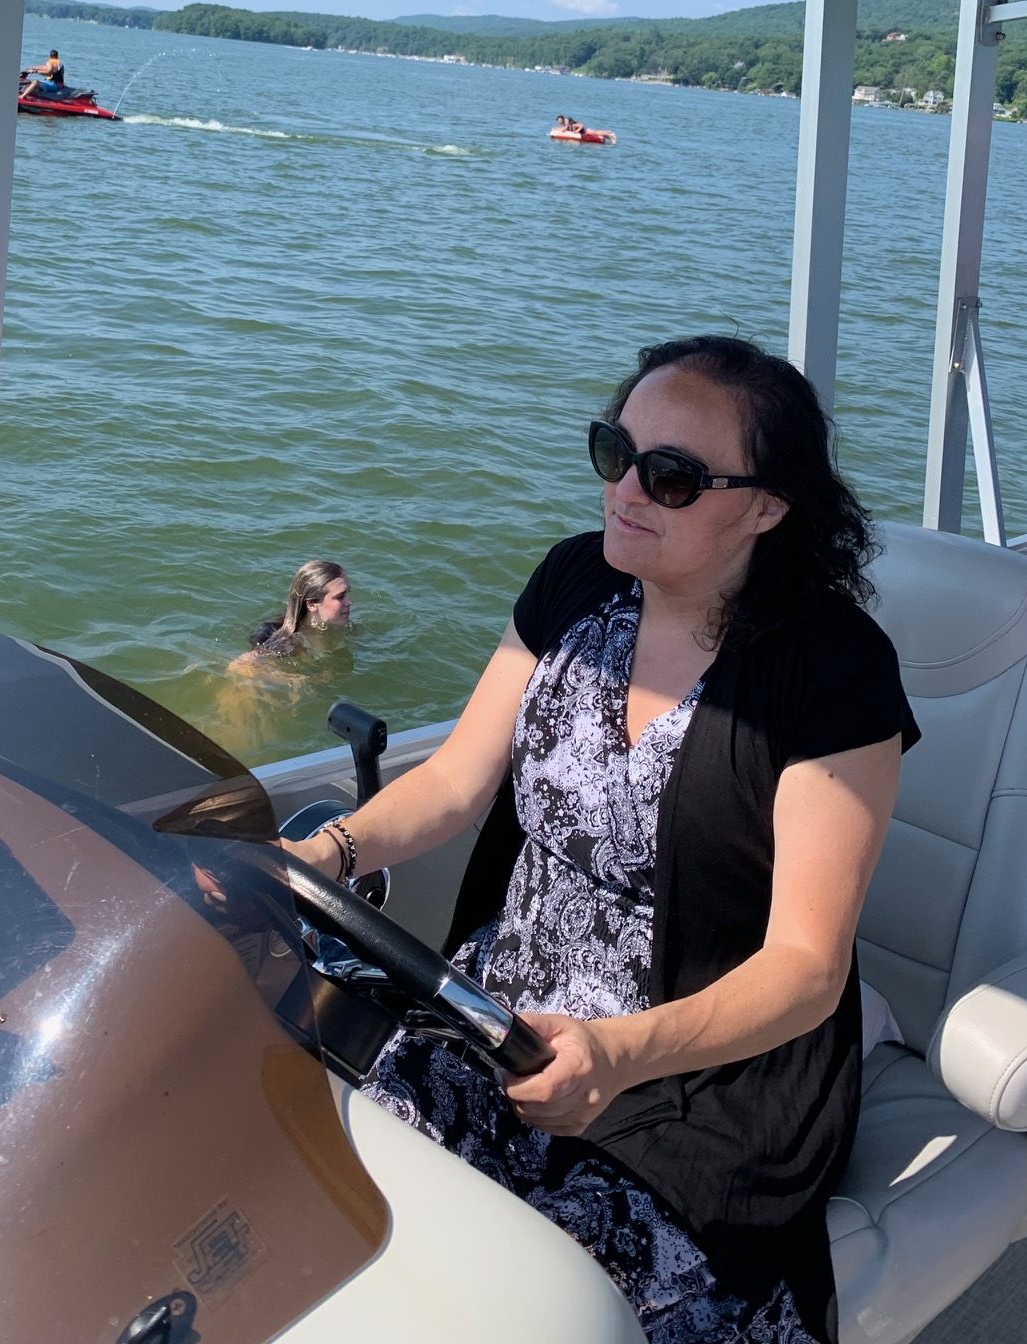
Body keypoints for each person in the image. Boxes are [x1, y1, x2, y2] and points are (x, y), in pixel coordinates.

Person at [285, 336, 918, 1343]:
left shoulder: (833, 671)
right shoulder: (576, 579)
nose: (627, 489)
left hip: (697, 1066)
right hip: (502, 1007)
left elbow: (805, 967)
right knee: (342, 1203)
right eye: (613, 452)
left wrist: (618, 1056)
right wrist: (324, 856)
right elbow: (454, 782)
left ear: (765, 507)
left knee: (559, 1301)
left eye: (670, 477)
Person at [228, 560, 351, 672]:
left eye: (347, 594)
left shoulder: (347, 631)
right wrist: (291, 679)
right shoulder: (284, 642)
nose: (349, 602)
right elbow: (237, 666)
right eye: (340, 597)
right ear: (312, 604)